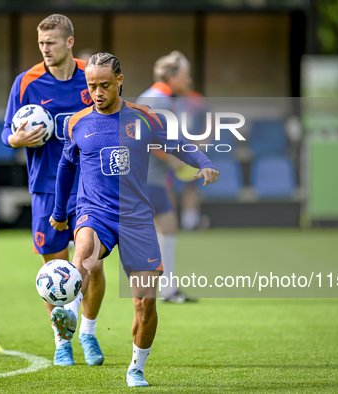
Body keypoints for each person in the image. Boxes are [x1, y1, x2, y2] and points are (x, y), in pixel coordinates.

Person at [49, 53, 219, 387]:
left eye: (105, 85)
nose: (97, 92)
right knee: (83, 254)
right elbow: (66, 167)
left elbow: (177, 144)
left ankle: (136, 367)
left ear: (120, 81)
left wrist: (204, 162)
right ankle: (69, 311)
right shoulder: (77, 123)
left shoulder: (144, 118)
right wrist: (59, 214)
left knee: (145, 303)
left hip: (136, 218)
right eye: (92, 86)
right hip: (94, 211)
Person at [0, 14, 105, 367]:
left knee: (91, 260)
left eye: (52, 43)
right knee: (54, 271)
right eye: (41, 43)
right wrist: (17, 138)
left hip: (88, 186)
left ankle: (87, 333)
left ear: (69, 42)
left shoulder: (91, 77)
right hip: (46, 186)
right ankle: (63, 343)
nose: (45, 49)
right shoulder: (26, 82)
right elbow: (6, 133)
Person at [137, 51, 207, 302]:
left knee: (166, 227)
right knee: (164, 228)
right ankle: (165, 289)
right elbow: (152, 142)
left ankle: (166, 289)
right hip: (147, 178)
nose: (188, 82)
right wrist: (179, 163)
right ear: (171, 76)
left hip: (146, 177)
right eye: (185, 76)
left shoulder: (152, 96)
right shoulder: (161, 101)